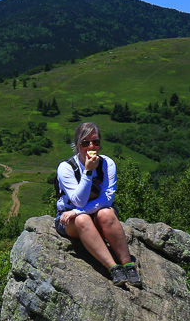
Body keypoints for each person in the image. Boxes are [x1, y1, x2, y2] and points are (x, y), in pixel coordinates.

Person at [55, 122, 142, 287]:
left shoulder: (107, 164)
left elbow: (107, 199)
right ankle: (113, 268)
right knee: (82, 220)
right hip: (68, 219)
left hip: (90, 214)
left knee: (107, 213)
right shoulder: (66, 168)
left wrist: (77, 211)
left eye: (95, 142)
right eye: (85, 143)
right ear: (77, 145)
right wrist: (87, 172)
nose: (91, 146)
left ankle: (128, 265)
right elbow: (77, 201)